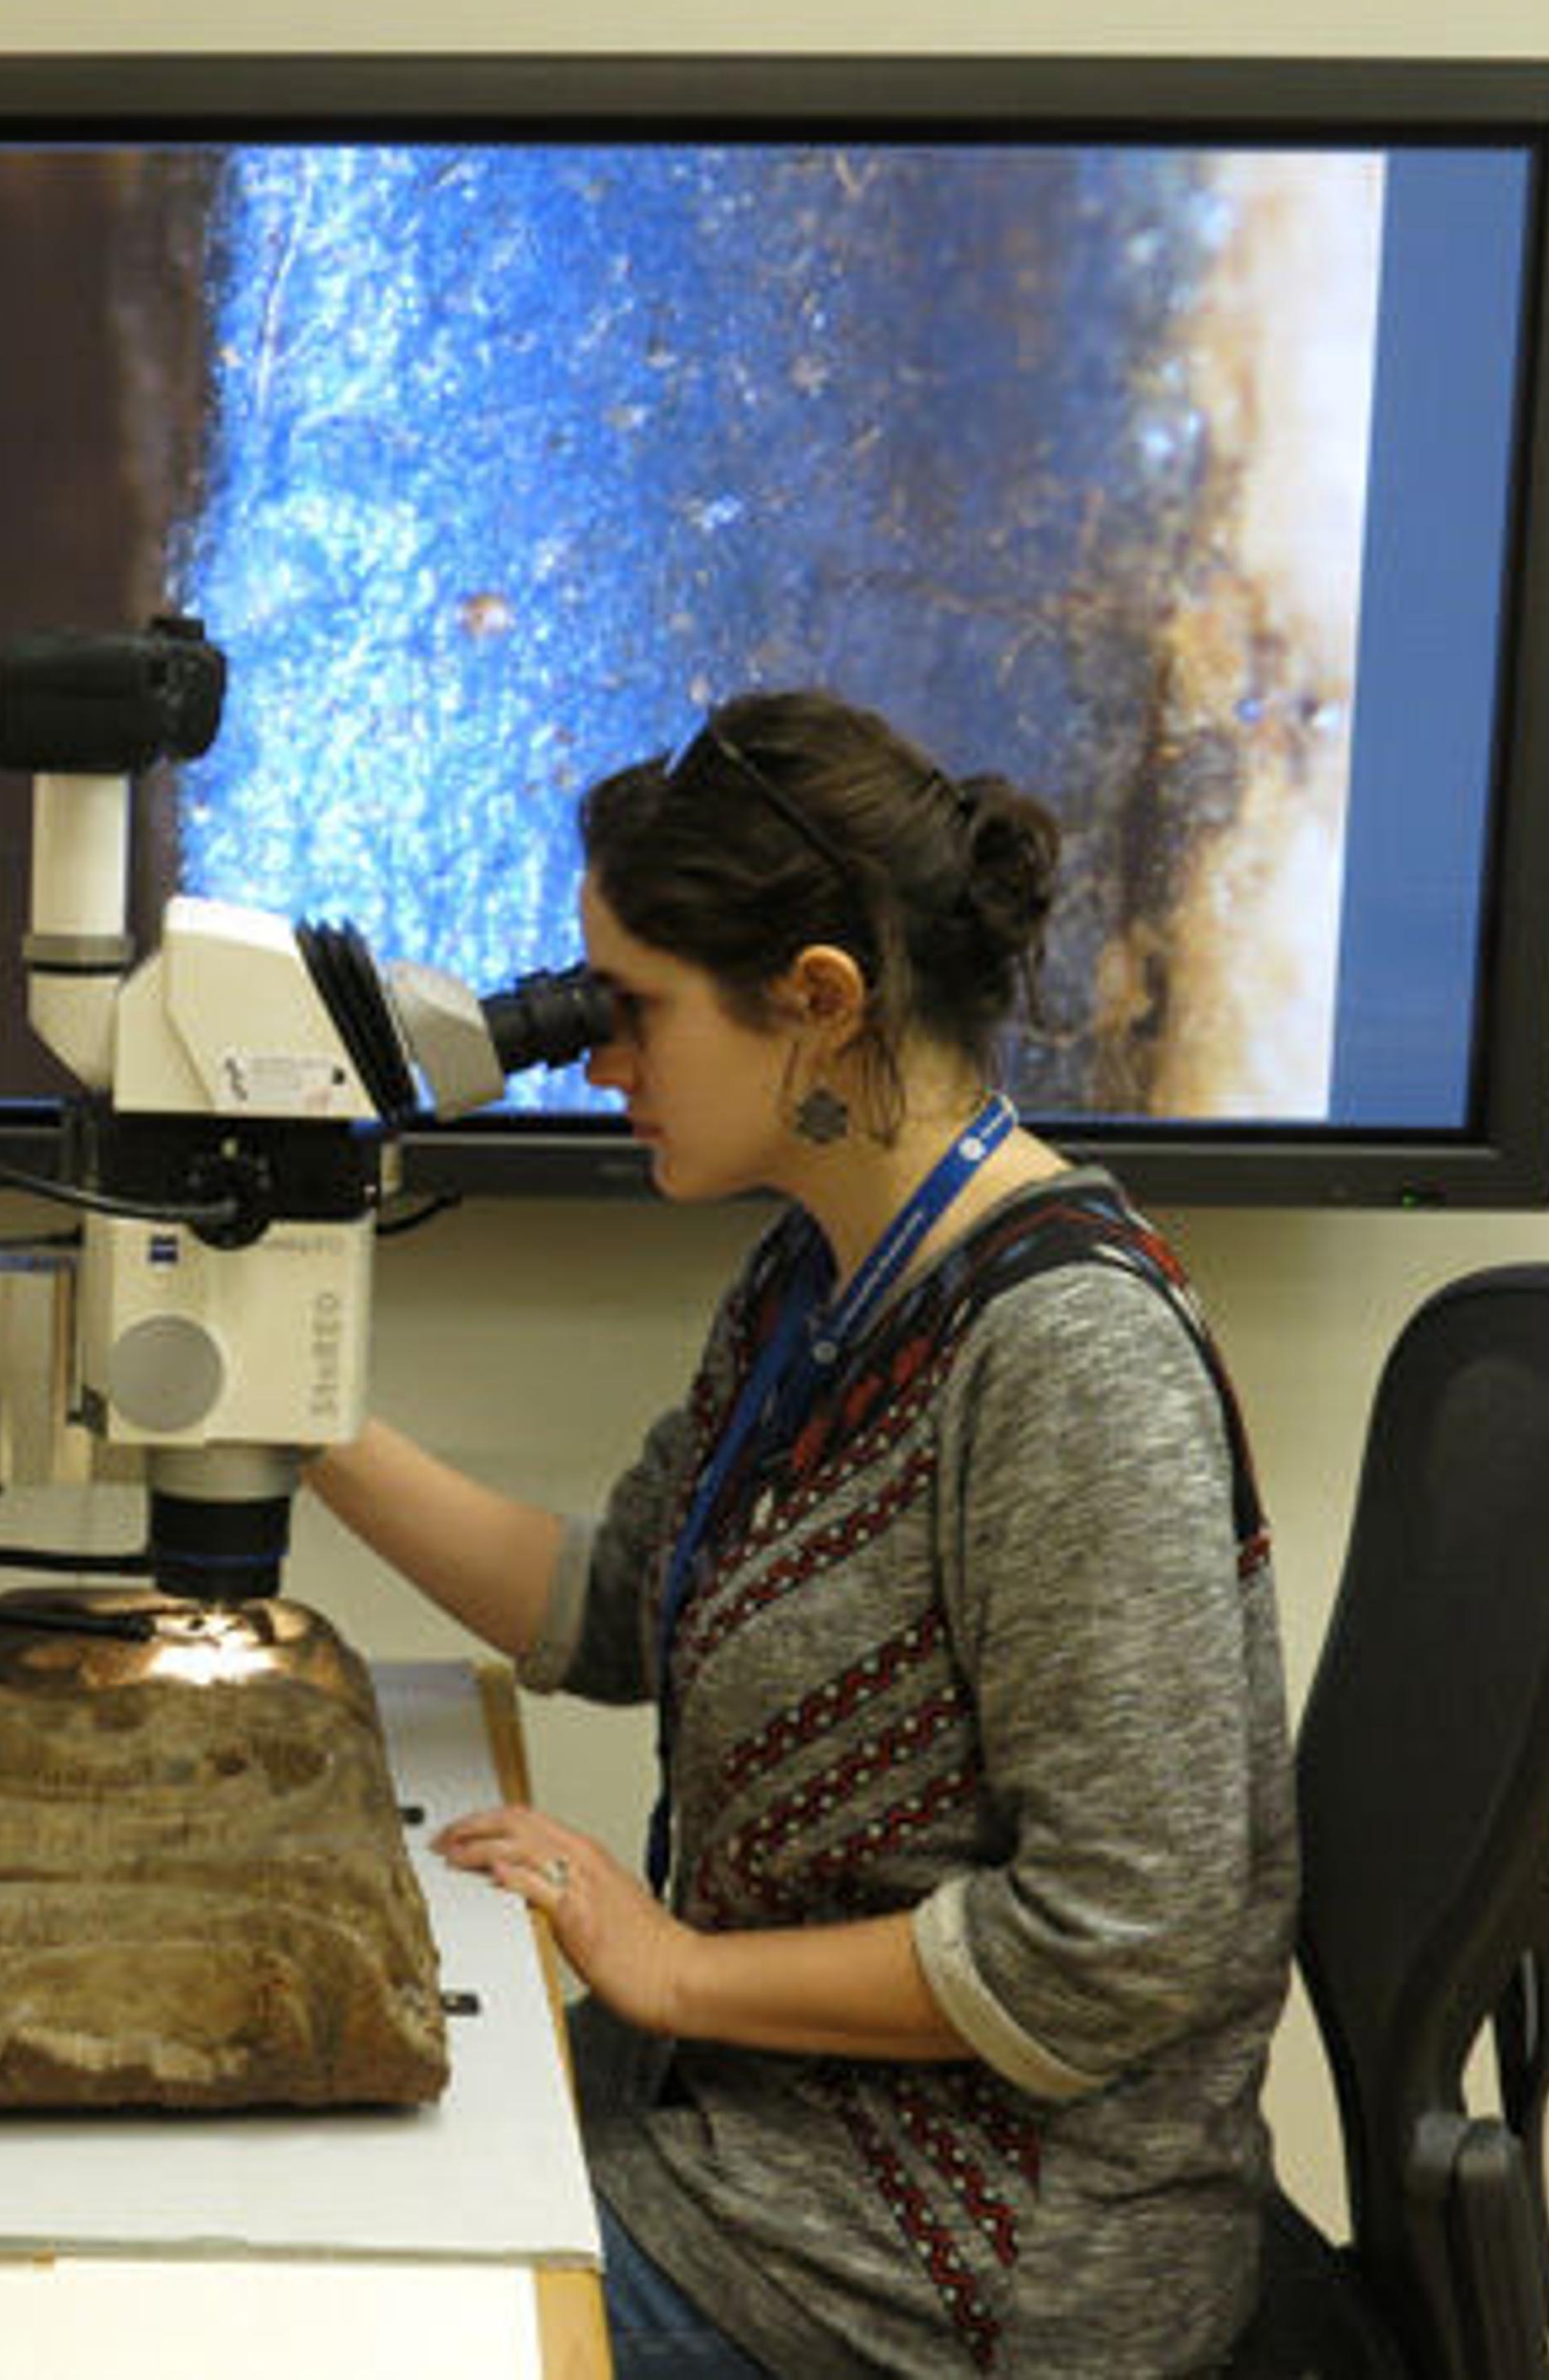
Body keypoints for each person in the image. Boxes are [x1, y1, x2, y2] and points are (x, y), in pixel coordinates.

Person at [308, 691, 1298, 2375]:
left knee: (352, 2322)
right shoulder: (820, 1277)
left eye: (632, 1013)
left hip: (957, 2254)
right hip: (744, 2134)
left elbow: (1112, 1946)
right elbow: (622, 1605)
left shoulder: (1065, 1356)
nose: (598, 1063)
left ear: (819, 1004)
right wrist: (290, 1413)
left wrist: (679, 1972)